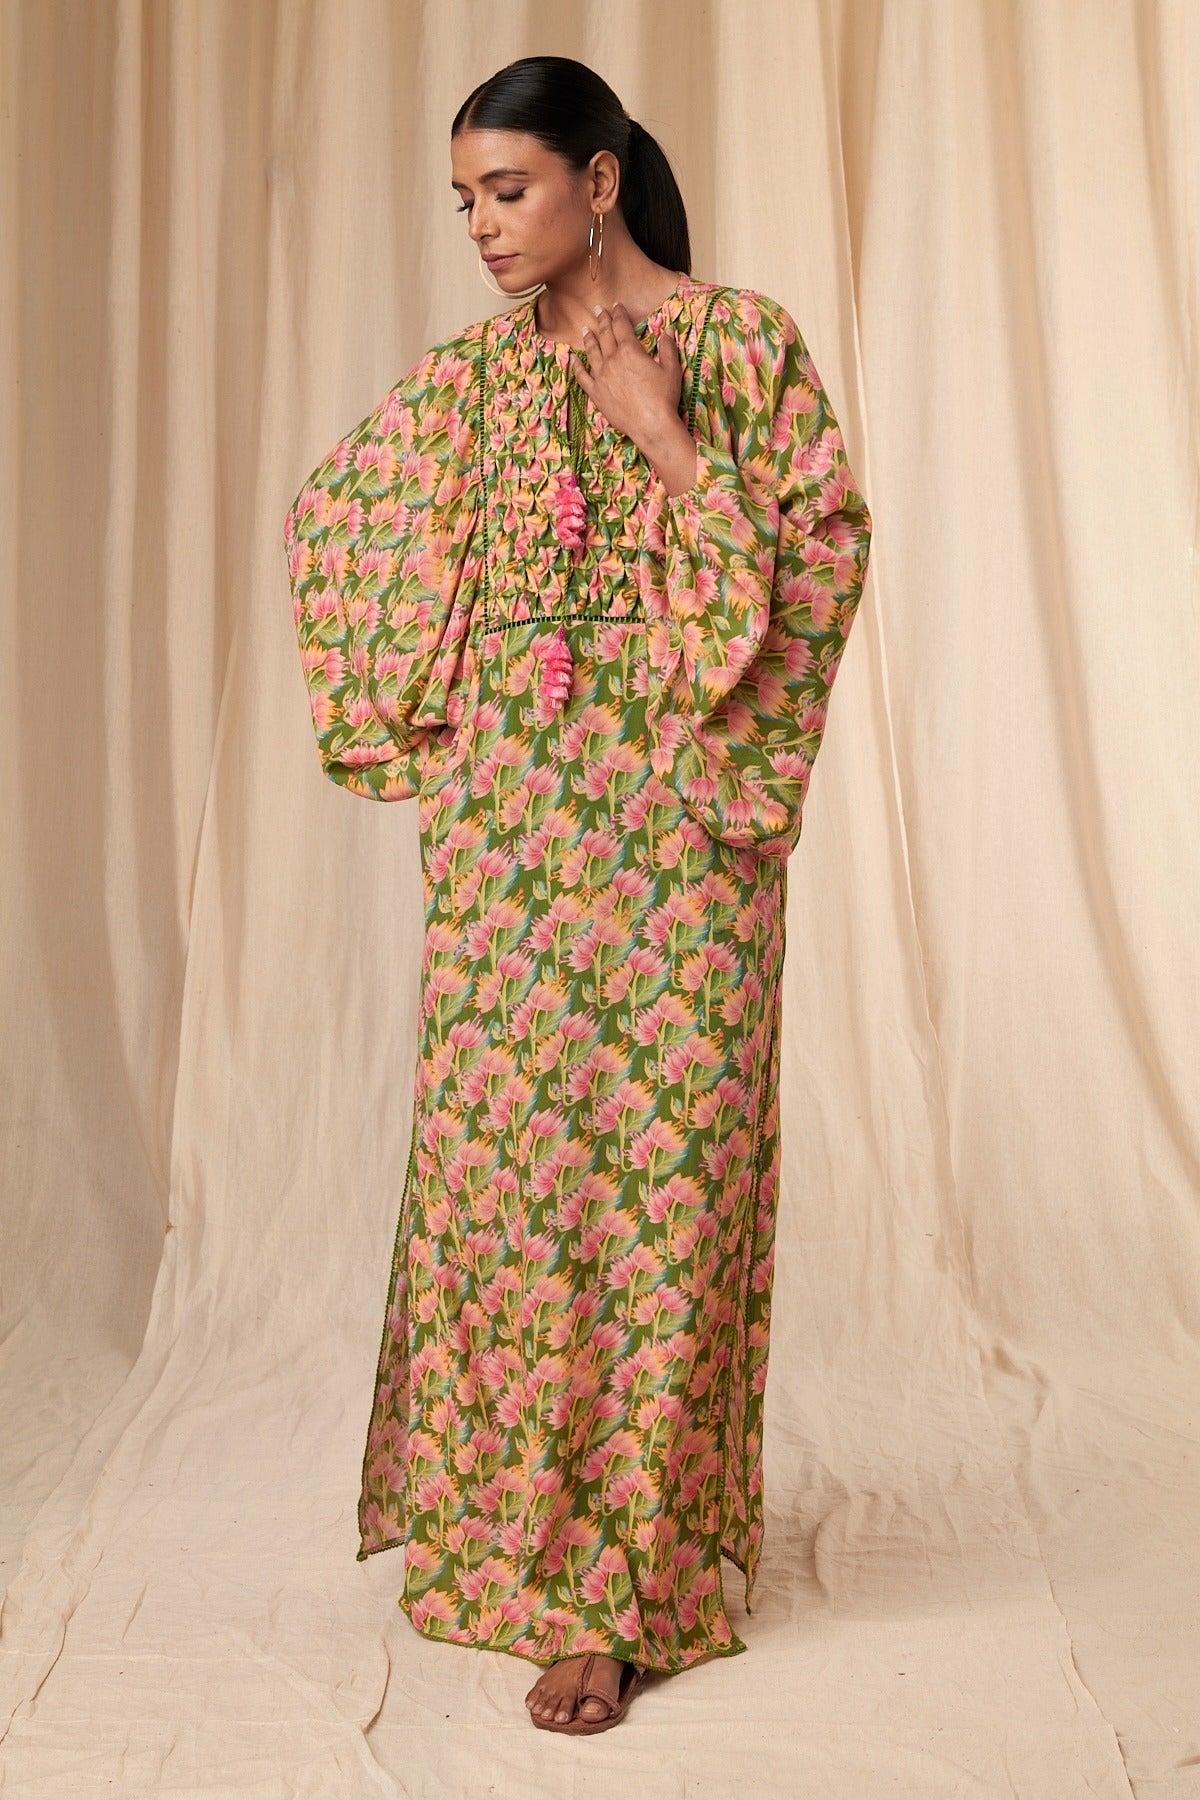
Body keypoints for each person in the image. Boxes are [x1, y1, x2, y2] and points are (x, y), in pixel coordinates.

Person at [283, 53, 873, 1737]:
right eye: (463, 199)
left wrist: (662, 438)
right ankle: (502, 1539)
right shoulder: (469, 383)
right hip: (510, 846)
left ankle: (619, 1590)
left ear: (599, 181)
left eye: (509, 189)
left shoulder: (739, 344)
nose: (480, 225)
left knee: (657, 1190)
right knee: (505, 1190)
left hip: (681, 838)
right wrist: (452, 689)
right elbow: (336, 531)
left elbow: (821, 559)